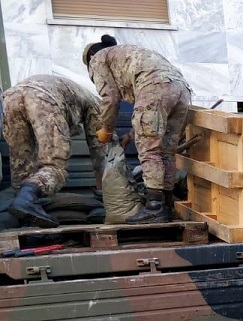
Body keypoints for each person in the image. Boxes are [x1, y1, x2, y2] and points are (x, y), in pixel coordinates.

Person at [82, 34, 192, 224]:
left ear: (90, 57)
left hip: (154, 88)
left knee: (150, 152)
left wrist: (106, 128)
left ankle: (154, 208)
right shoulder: (129, 53)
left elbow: (110, 98)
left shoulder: (97, 59)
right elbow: (155, 121)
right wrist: (132, 135)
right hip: (181, 89)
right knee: (166, 152)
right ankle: (165, 205)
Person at [1, 74, 107, 229]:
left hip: (9, 99)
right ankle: (28, 197)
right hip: (42, 98)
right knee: (55, 167)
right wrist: (104, 193)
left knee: (22, 168)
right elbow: (101, 152)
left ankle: (24, 215)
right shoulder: (97, 105)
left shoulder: (73, 89)